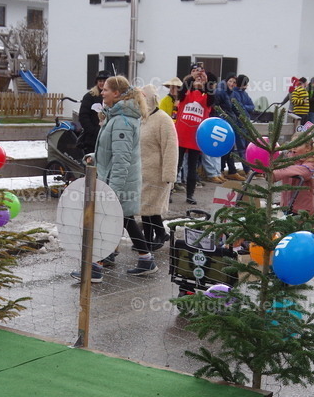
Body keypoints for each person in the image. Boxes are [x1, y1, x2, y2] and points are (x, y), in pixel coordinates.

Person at [71, 76, 156, 280]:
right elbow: (112, 151)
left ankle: (96, 267)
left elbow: (122, 159)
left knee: (106, 220)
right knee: (125, 219)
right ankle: (146, 259)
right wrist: (95, 157)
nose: (102, 92)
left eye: (106, 90)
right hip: (116, 178)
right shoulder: (116, 117)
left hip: (119, 181)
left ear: (116, 94)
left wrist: (113, 192)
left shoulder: (122, 121)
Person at [138, 84, 178, 251]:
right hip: (143, 172)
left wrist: (169, 174)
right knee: (146, 208)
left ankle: (156, 236)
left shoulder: (163, 119)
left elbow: (171, 147)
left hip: (157, 173)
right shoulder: (143, 119)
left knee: (149, 208)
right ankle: (152, 238)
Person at [175, 66, 214, 204]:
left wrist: (206, 81)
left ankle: (190, 195)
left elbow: (212, 97)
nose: (198, 81)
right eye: (196, 80)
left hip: (195, 138)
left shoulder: (205, 98)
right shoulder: (185, 95)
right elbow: (182, 89)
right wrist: (193, 77)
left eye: (200, 79)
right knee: (175, 166)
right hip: (180, 136)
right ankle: (168, 193)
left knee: (192, 168)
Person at [272, 125, 314, 216]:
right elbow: (274, 165)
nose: (294, 147)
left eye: (298, 144)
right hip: (287, 207)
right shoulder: (288, 160)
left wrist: (276, 174)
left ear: (307, 148)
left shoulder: (310, 164)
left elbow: (299, 170)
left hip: (303, 211)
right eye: (293, 143)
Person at [214, 72, 244, 180]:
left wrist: (242, 117)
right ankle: (221, 170)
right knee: (224, 147)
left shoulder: (230, 93)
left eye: (234, 82)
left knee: (230, 147)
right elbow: (216, 107)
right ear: (226, 81)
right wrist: (222, 118)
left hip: (231, 122)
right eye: (230, 81)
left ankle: (232, 170)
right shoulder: (220, 92)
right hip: (223, 123)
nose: (232, 83)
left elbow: (233, 108)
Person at [79, 70, 109, 153]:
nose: (102, 83)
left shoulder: (112, 97)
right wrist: (94, 131)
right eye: (100, 81)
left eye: (104, 81)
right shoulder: (90, 96)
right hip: (92, 139)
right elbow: (83, 116)